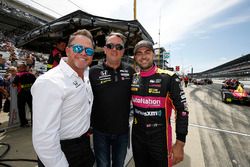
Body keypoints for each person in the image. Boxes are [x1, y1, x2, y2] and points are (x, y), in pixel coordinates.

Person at [31, 29, 95, 167]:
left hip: (84, 145)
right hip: (61, 150)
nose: (84, 53)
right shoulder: (50, 81)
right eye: (78, 48)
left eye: (89, 51)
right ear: (67, 50)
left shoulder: (86, 74)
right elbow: (44, 139)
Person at [131, 40, 189, 167]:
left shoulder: (169, 77)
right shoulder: (133, 78)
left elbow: (182, 110)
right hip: (137, 138)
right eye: (139, 53)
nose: (143, 56)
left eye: (147, 52)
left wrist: (180, 143)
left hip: (160, 139)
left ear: (153, 54)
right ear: (135, 57)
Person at [89, 32, 135, 167]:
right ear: (104, 49)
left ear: (123, 51)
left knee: (119, 164)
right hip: (100, 131)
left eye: (119, 47)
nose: (114, 49)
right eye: (110, 46)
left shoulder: (131, 71)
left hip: (122, 131)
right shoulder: (93, 72)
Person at [12, 63, 36, 127]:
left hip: (21, 94)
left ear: (22, 68)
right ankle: (34, 122)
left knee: (21, 109)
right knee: (32, 108)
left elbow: (13, 85)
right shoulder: (32, 75)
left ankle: (24, 123)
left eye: (18, 68)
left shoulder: (18, 75)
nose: (17, 69)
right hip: (30, 94)